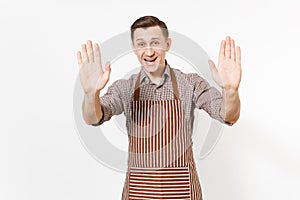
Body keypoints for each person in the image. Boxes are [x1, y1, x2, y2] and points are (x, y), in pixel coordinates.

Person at [77, 16, 241, 200]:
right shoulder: (125, 88)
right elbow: (93, 118)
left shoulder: (190, 83)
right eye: (141, 44)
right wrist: (91, 94)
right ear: (134, 48)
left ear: (167, 44)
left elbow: (227, 115)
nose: (148, 51)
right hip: (139, 192)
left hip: (182, 192)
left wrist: (231, 91)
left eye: (155, 42)